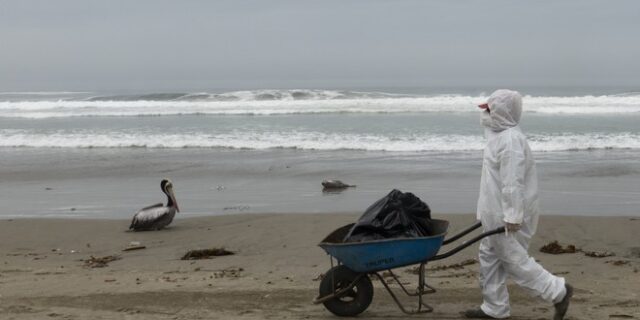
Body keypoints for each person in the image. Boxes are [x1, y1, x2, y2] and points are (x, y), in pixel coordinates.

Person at [463, 89, 573, 319]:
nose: (484, 113)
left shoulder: (511, 141)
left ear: (501, 112)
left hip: (508, 214)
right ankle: (494, 308)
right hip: (493, 212)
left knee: (513, 260)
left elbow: (512, 183)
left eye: (489, 109)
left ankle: (558, 291)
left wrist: (512, 216)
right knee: (489, 257)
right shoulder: (497, 135)